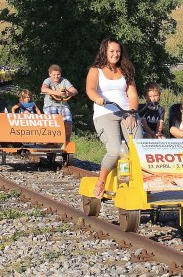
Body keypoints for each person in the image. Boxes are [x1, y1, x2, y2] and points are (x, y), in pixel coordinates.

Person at [85, 37, 142, 199]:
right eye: (112, 51)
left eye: (118, 51)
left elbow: (132, 95)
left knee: (137, 148)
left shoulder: (125, 70)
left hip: (126, 112)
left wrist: (132, 112)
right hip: (105, 112)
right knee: (115, 151)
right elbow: (90, 89)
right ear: (105, 51)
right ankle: (101, 181)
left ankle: (139, 182)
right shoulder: (96, 70)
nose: (115, 54)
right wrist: (97, 98)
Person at [41, 64, 78, 140]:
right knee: (53, 122)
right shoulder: (48, 80)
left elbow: (75, 91)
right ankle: (51, 141)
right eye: (54, 75)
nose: (56, 76)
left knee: (68, 121)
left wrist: (69, 93)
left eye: (58, 74)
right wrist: (56, 93)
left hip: (63, 104)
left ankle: (66, 141)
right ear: (50, 74)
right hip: (50, 104)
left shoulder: (64, 81)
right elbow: (43, 89)